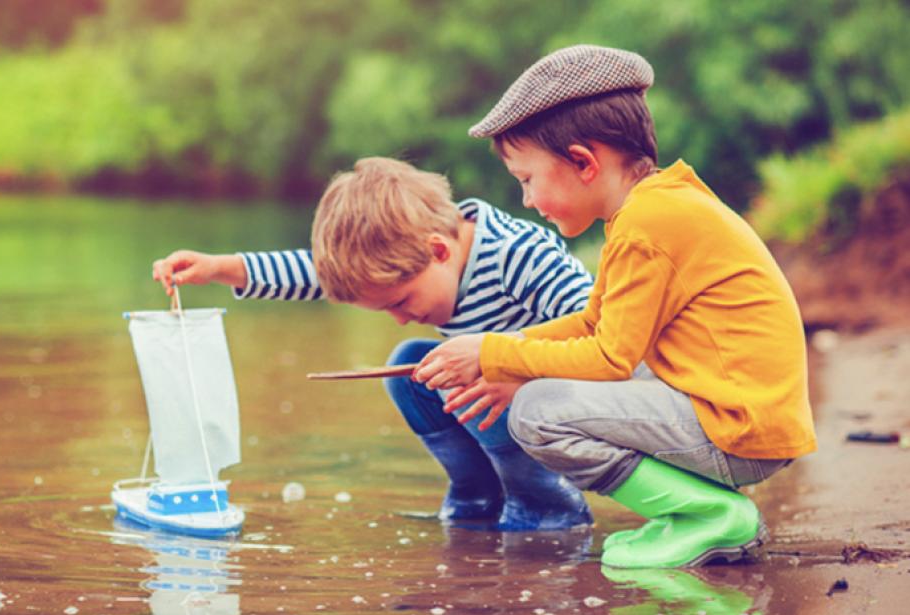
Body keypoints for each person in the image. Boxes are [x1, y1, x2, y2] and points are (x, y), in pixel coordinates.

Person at [413, 45, 816, 567]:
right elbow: (593, 321)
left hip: (739, 428)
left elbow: (609, 357)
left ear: (583, 162)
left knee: (537, 413)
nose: (527, 200)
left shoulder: (645, 226)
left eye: (527, 180)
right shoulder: (653, 207)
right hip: (741, 413)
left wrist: (495, 356)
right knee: (544, 390)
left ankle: (709, 516)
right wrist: (499, 348)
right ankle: (699, 513)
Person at [152, 156, 594, 531]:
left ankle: (546, 507)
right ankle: (478, 496)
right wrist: (219, 268)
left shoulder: (516, 255)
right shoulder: (416, 257)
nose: (399, 318)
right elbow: (310, 272)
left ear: (438, 251)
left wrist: (515, 373)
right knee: (410, 368)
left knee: (463, 375)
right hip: (504, 402)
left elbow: (601, 329)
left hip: (570, 399)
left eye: (401, 302)